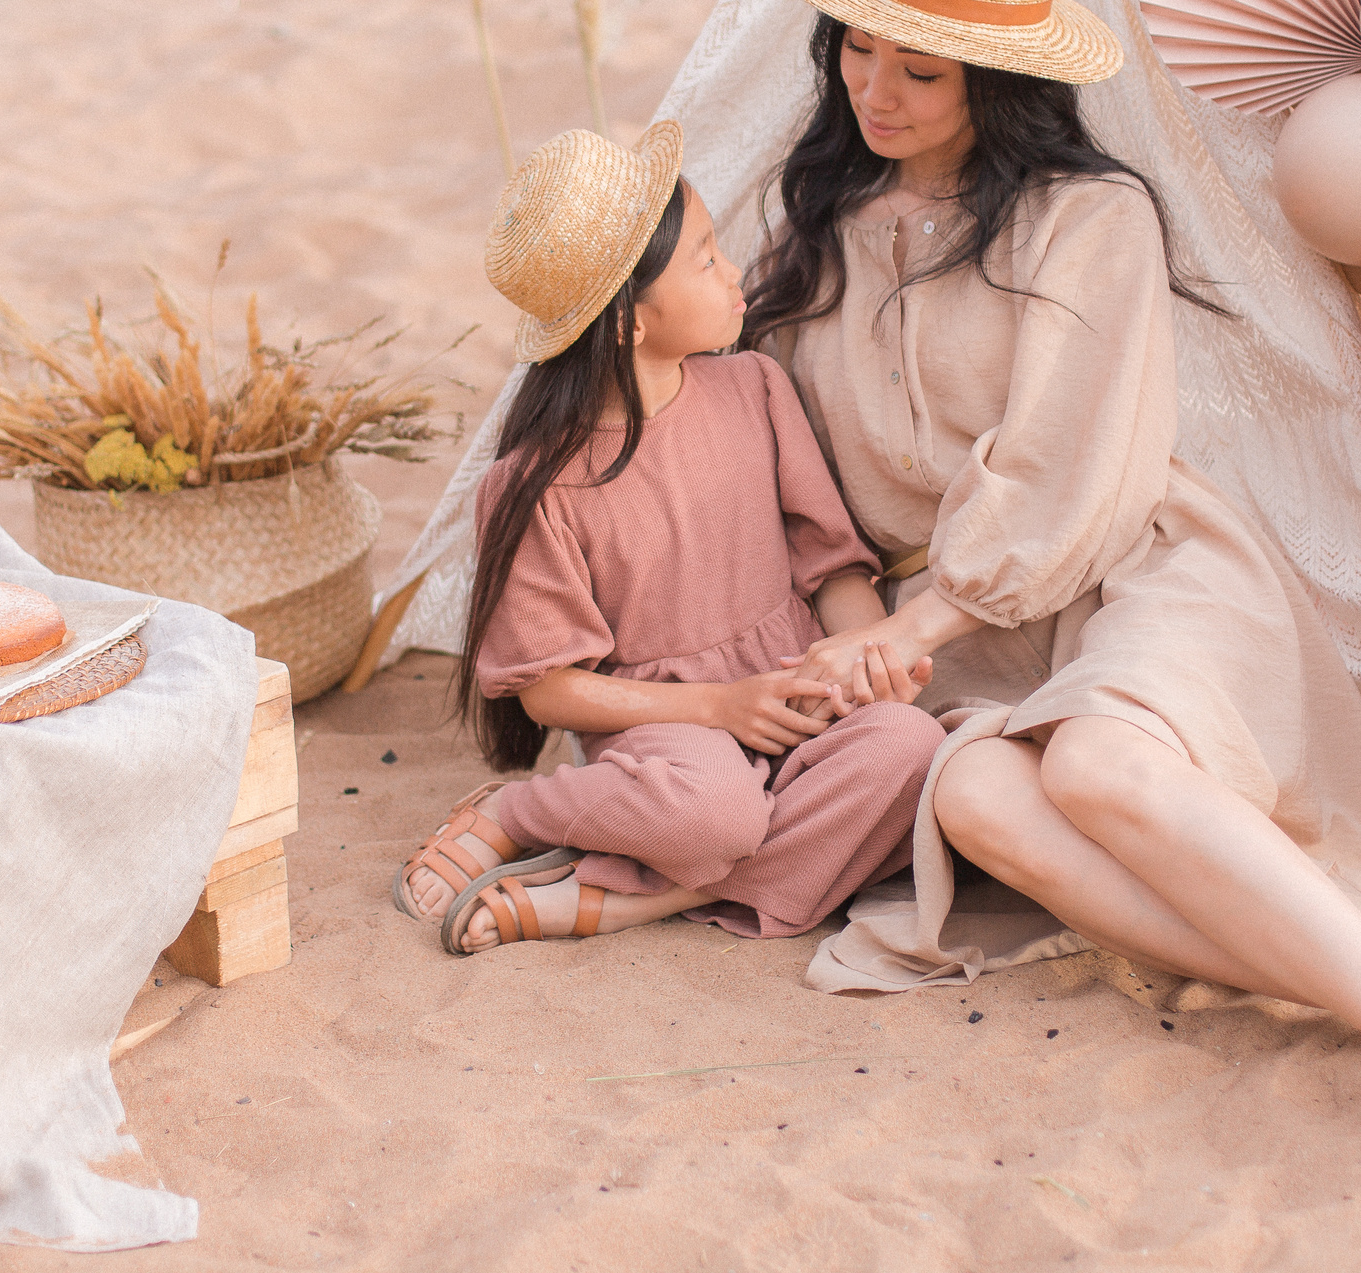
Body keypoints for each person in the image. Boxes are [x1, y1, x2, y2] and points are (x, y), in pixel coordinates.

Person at [742, 0, 1361, 1270]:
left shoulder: (1085, 217)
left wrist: (911, 631)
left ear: (996, 80)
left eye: (921, 68)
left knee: (1100, 768)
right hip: (957, 640)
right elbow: (804, 492)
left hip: (1133, 566)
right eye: (857, 48)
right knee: (975, 796)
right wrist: (863, 635)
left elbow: (1065, 467)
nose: (876, 90)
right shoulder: (809, 233)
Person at [394, 121, 947, 956]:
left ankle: (640, 898)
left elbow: (831, 566)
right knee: (713, 812)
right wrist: (719, 706)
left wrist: (867, 656)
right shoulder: (535, 486)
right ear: (628, 323)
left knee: (912, 745)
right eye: (705, 259)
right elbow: (550, 690)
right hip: (666, 733)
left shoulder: (755, 385)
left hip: (791, 695)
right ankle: (516, 811)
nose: (733, 273)